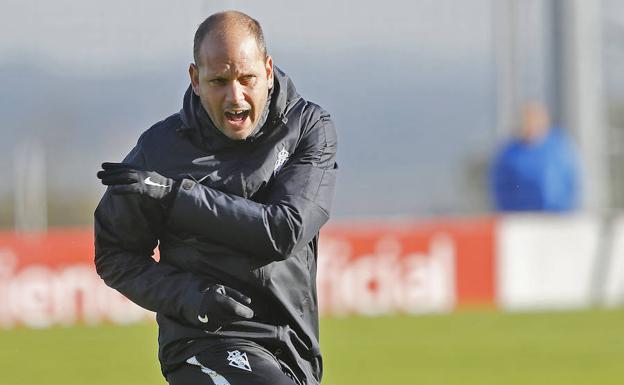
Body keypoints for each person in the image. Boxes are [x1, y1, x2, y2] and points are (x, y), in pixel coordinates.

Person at [94, 11, 337, 385]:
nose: (235, 96)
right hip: (203, 343)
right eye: (219, 81)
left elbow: (286, 230)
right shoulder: (159, 151)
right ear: (195, 79)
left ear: (268, 71)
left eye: (247, 79)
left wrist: (177, 196)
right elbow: (115, 254)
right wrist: (191, 299)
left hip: (293, 343)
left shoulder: (308, 128)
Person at [490, 101, 579, 212]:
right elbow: (501, 188)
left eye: (535, 120)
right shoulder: (510, 154)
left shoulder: (559, 148)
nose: (531, 125)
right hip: (521, 218)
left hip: (556, 217)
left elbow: (572, 182)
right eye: (527, 121)